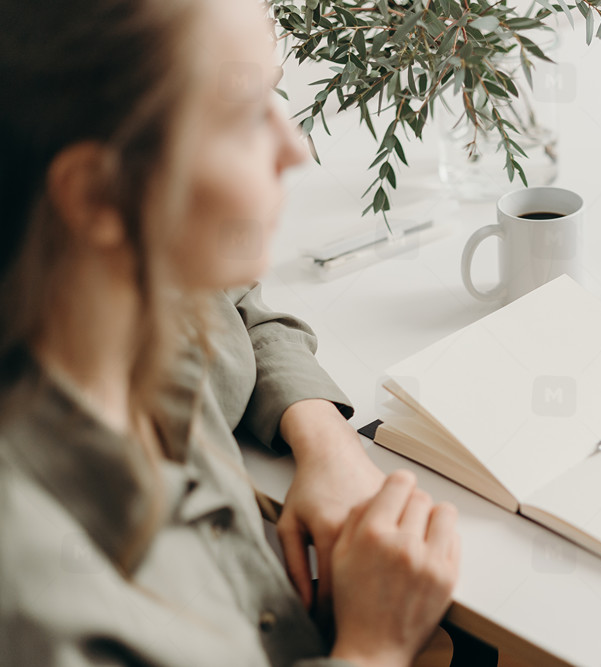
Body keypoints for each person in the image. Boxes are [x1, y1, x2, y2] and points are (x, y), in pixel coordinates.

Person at [0, 0, 460, 665]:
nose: (295, 147)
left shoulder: (132, 278)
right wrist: (373, 647)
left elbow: (229, 295)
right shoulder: (41, 601)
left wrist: (325, 440)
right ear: (99, 196)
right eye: (248, 117)